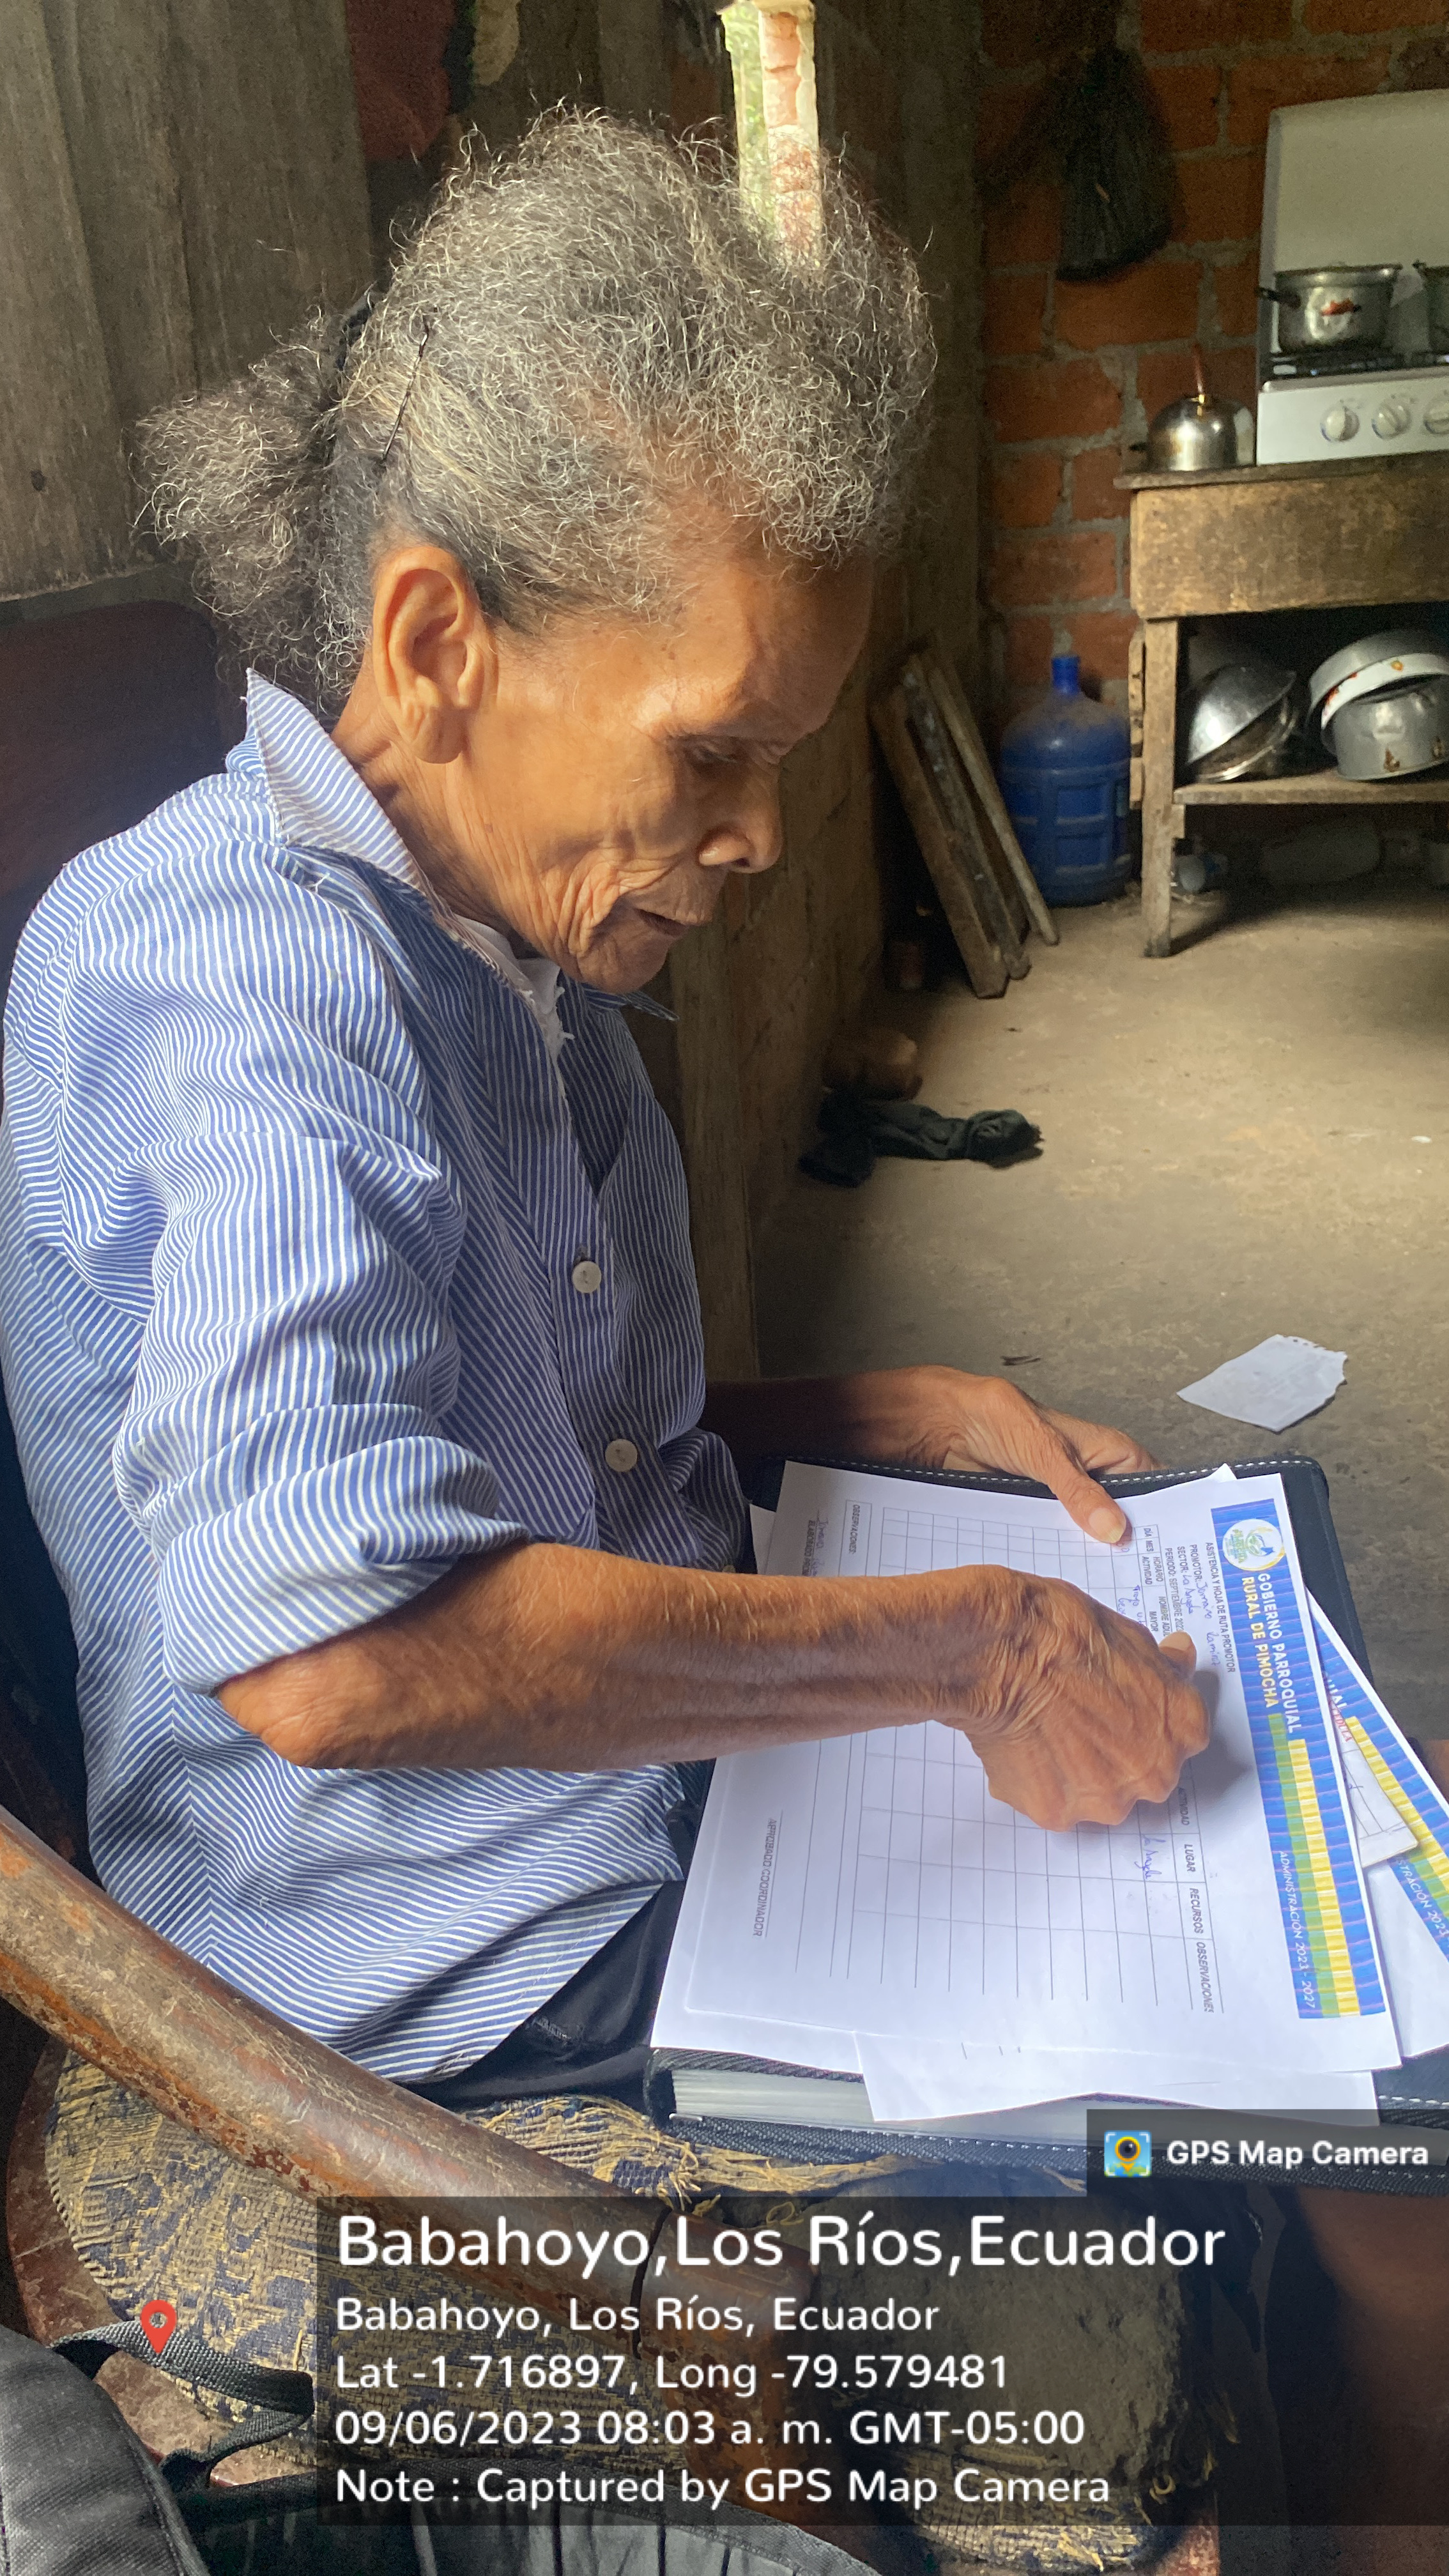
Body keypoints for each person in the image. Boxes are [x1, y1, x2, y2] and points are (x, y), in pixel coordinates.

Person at [0, 117, 1205, 2095]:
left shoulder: (511, 944)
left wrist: (864, 1417)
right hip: (449, 1964)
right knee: (1272, 2078)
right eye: (713, 749)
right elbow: (332, 1649)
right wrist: (965, 1647)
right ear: (437, 644)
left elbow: (521, 1425)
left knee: (1288, 1900)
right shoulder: (234, 967)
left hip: (651, 1812)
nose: (760, 835)